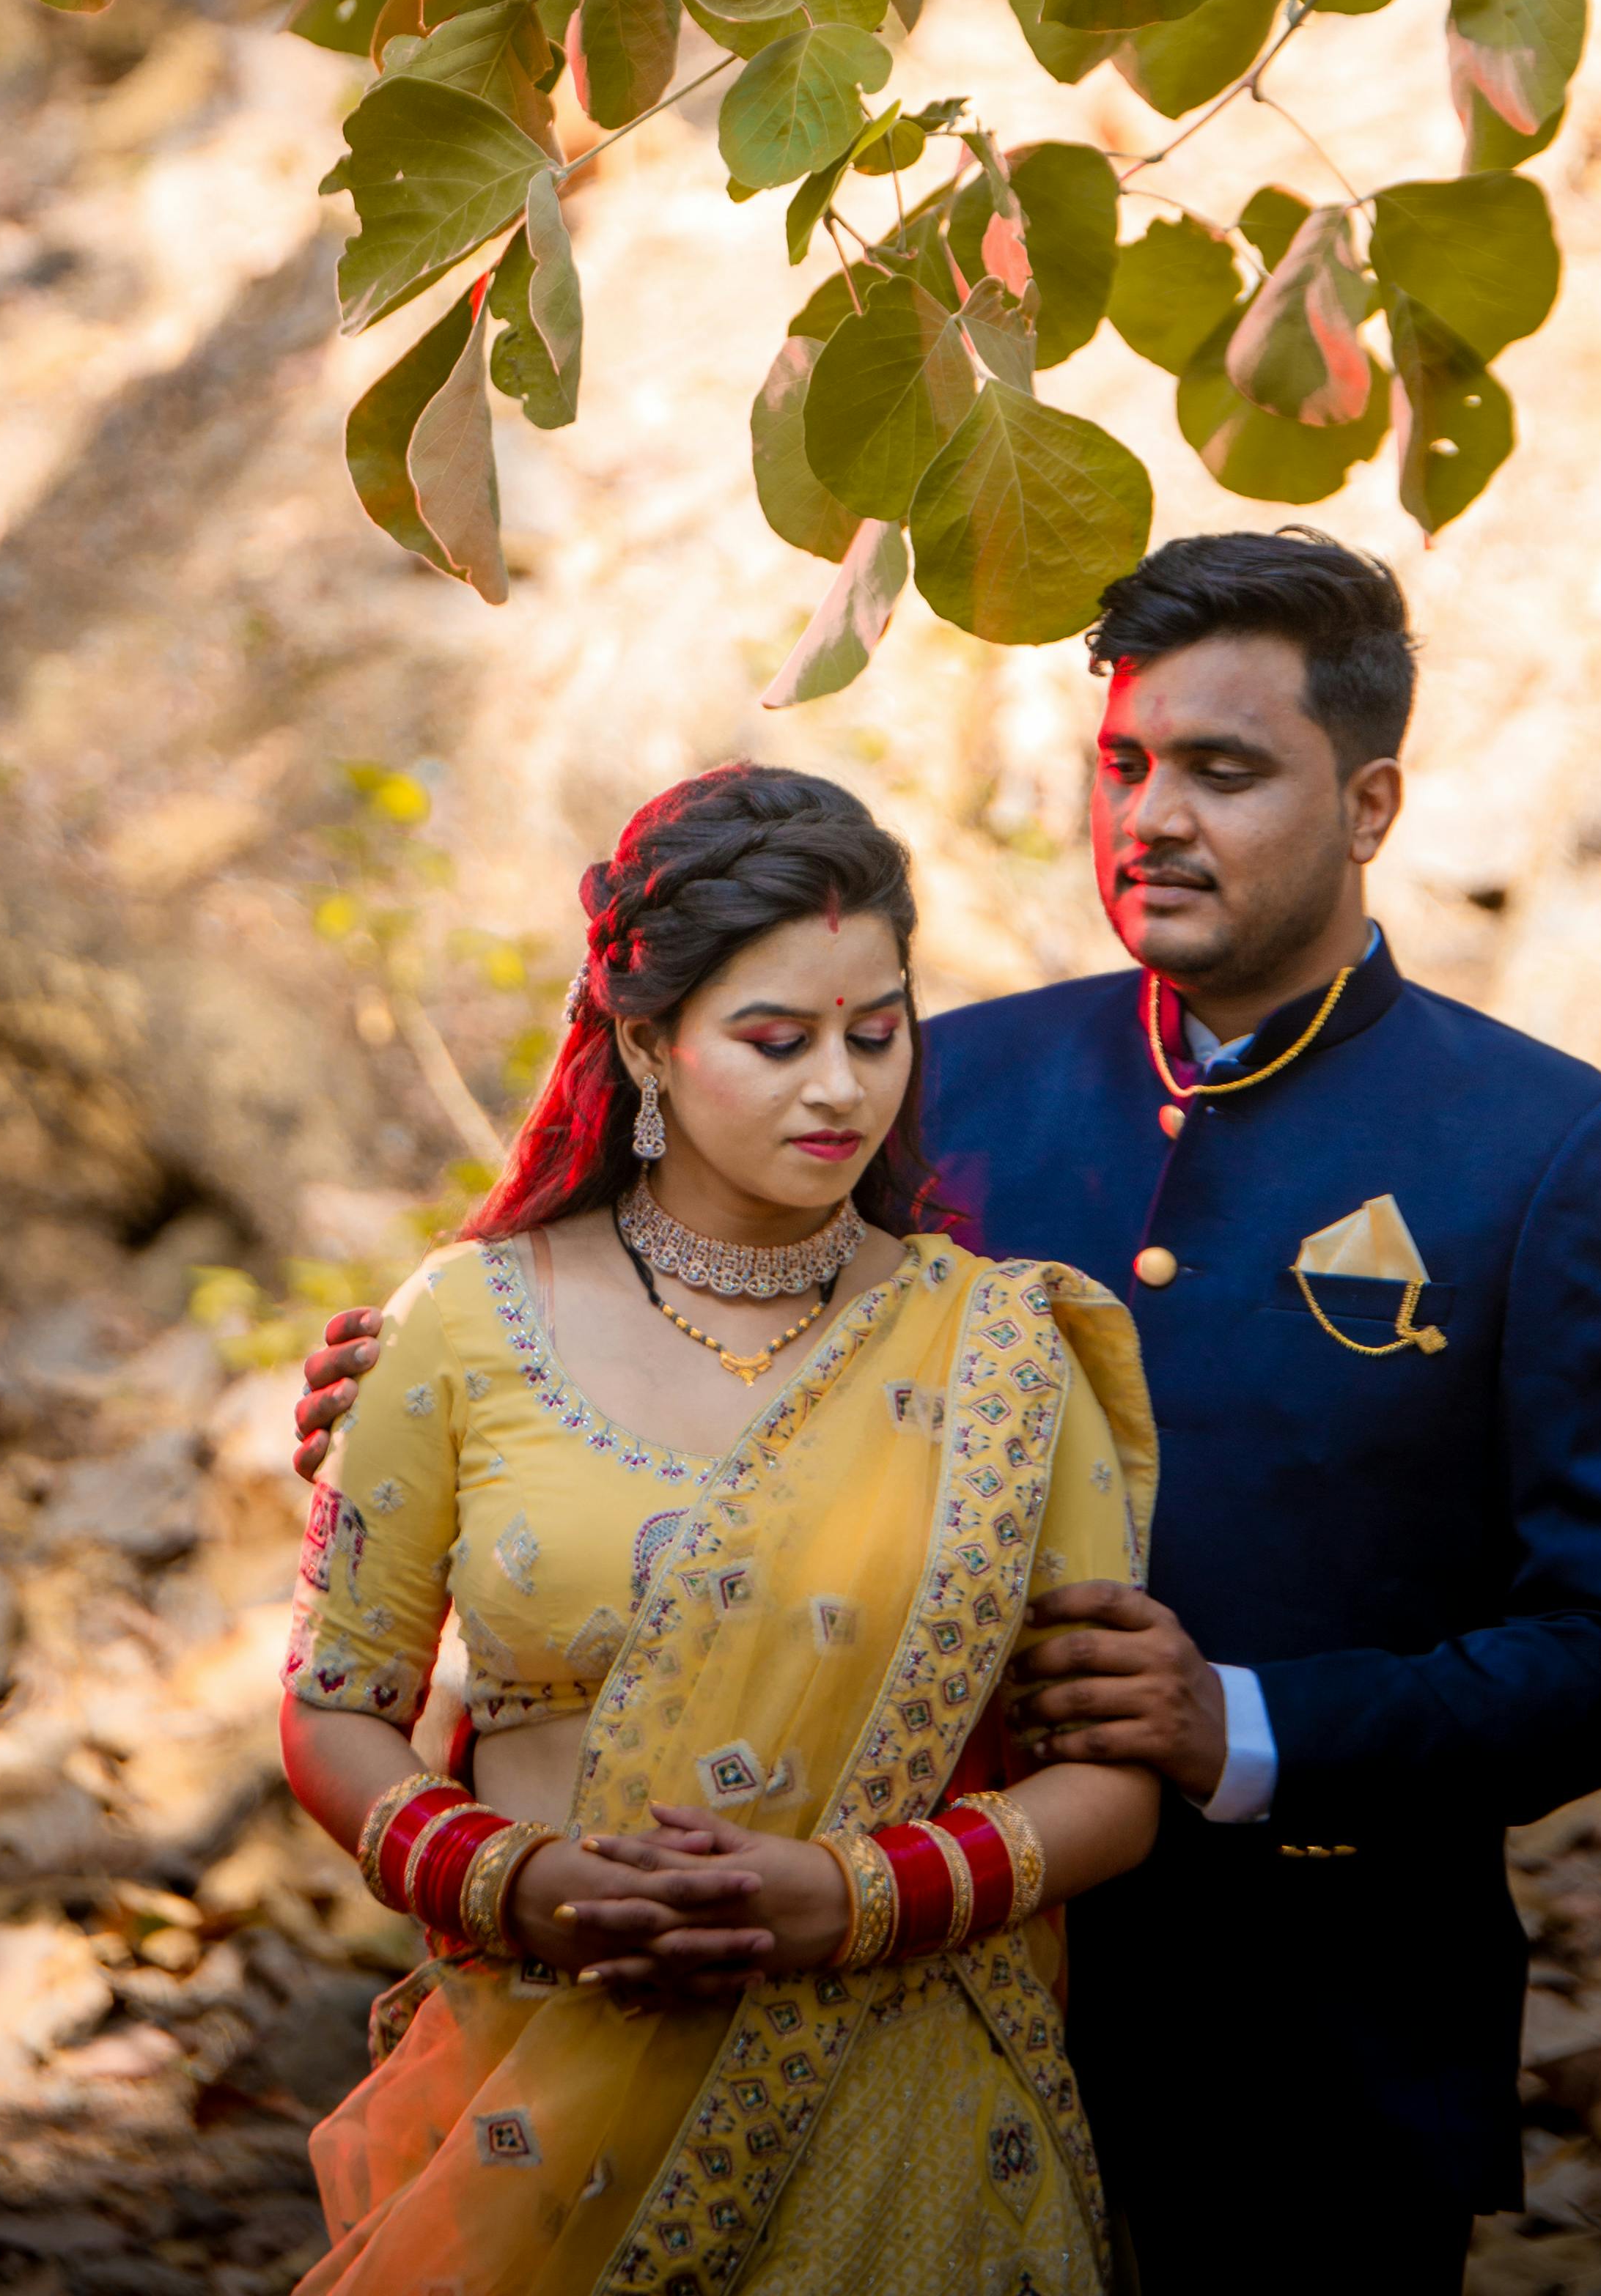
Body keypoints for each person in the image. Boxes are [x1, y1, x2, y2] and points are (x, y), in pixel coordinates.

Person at [299, 534, 1601, 2290]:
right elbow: (699, 1361)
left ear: (1370, 804)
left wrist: (1243, 1726)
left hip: (1308, 2058)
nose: (1150, 816)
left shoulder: (1544, 1151)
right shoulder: (937, 1077)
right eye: (1121, 762)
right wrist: (439, 1405)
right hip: (855, 2009)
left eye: (1223, 770)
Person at [278, 760, 1161, 2296]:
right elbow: (333, 1709)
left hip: (912, 2106)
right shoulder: (465, 1323)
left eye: (875, 1034)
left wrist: (857, 1898)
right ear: (645, 1043)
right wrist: (519, 1882)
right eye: (777, 1039)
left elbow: (1110, 1780)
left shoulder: (1002, 1351)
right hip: (547, 2077)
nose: (841, 1086)